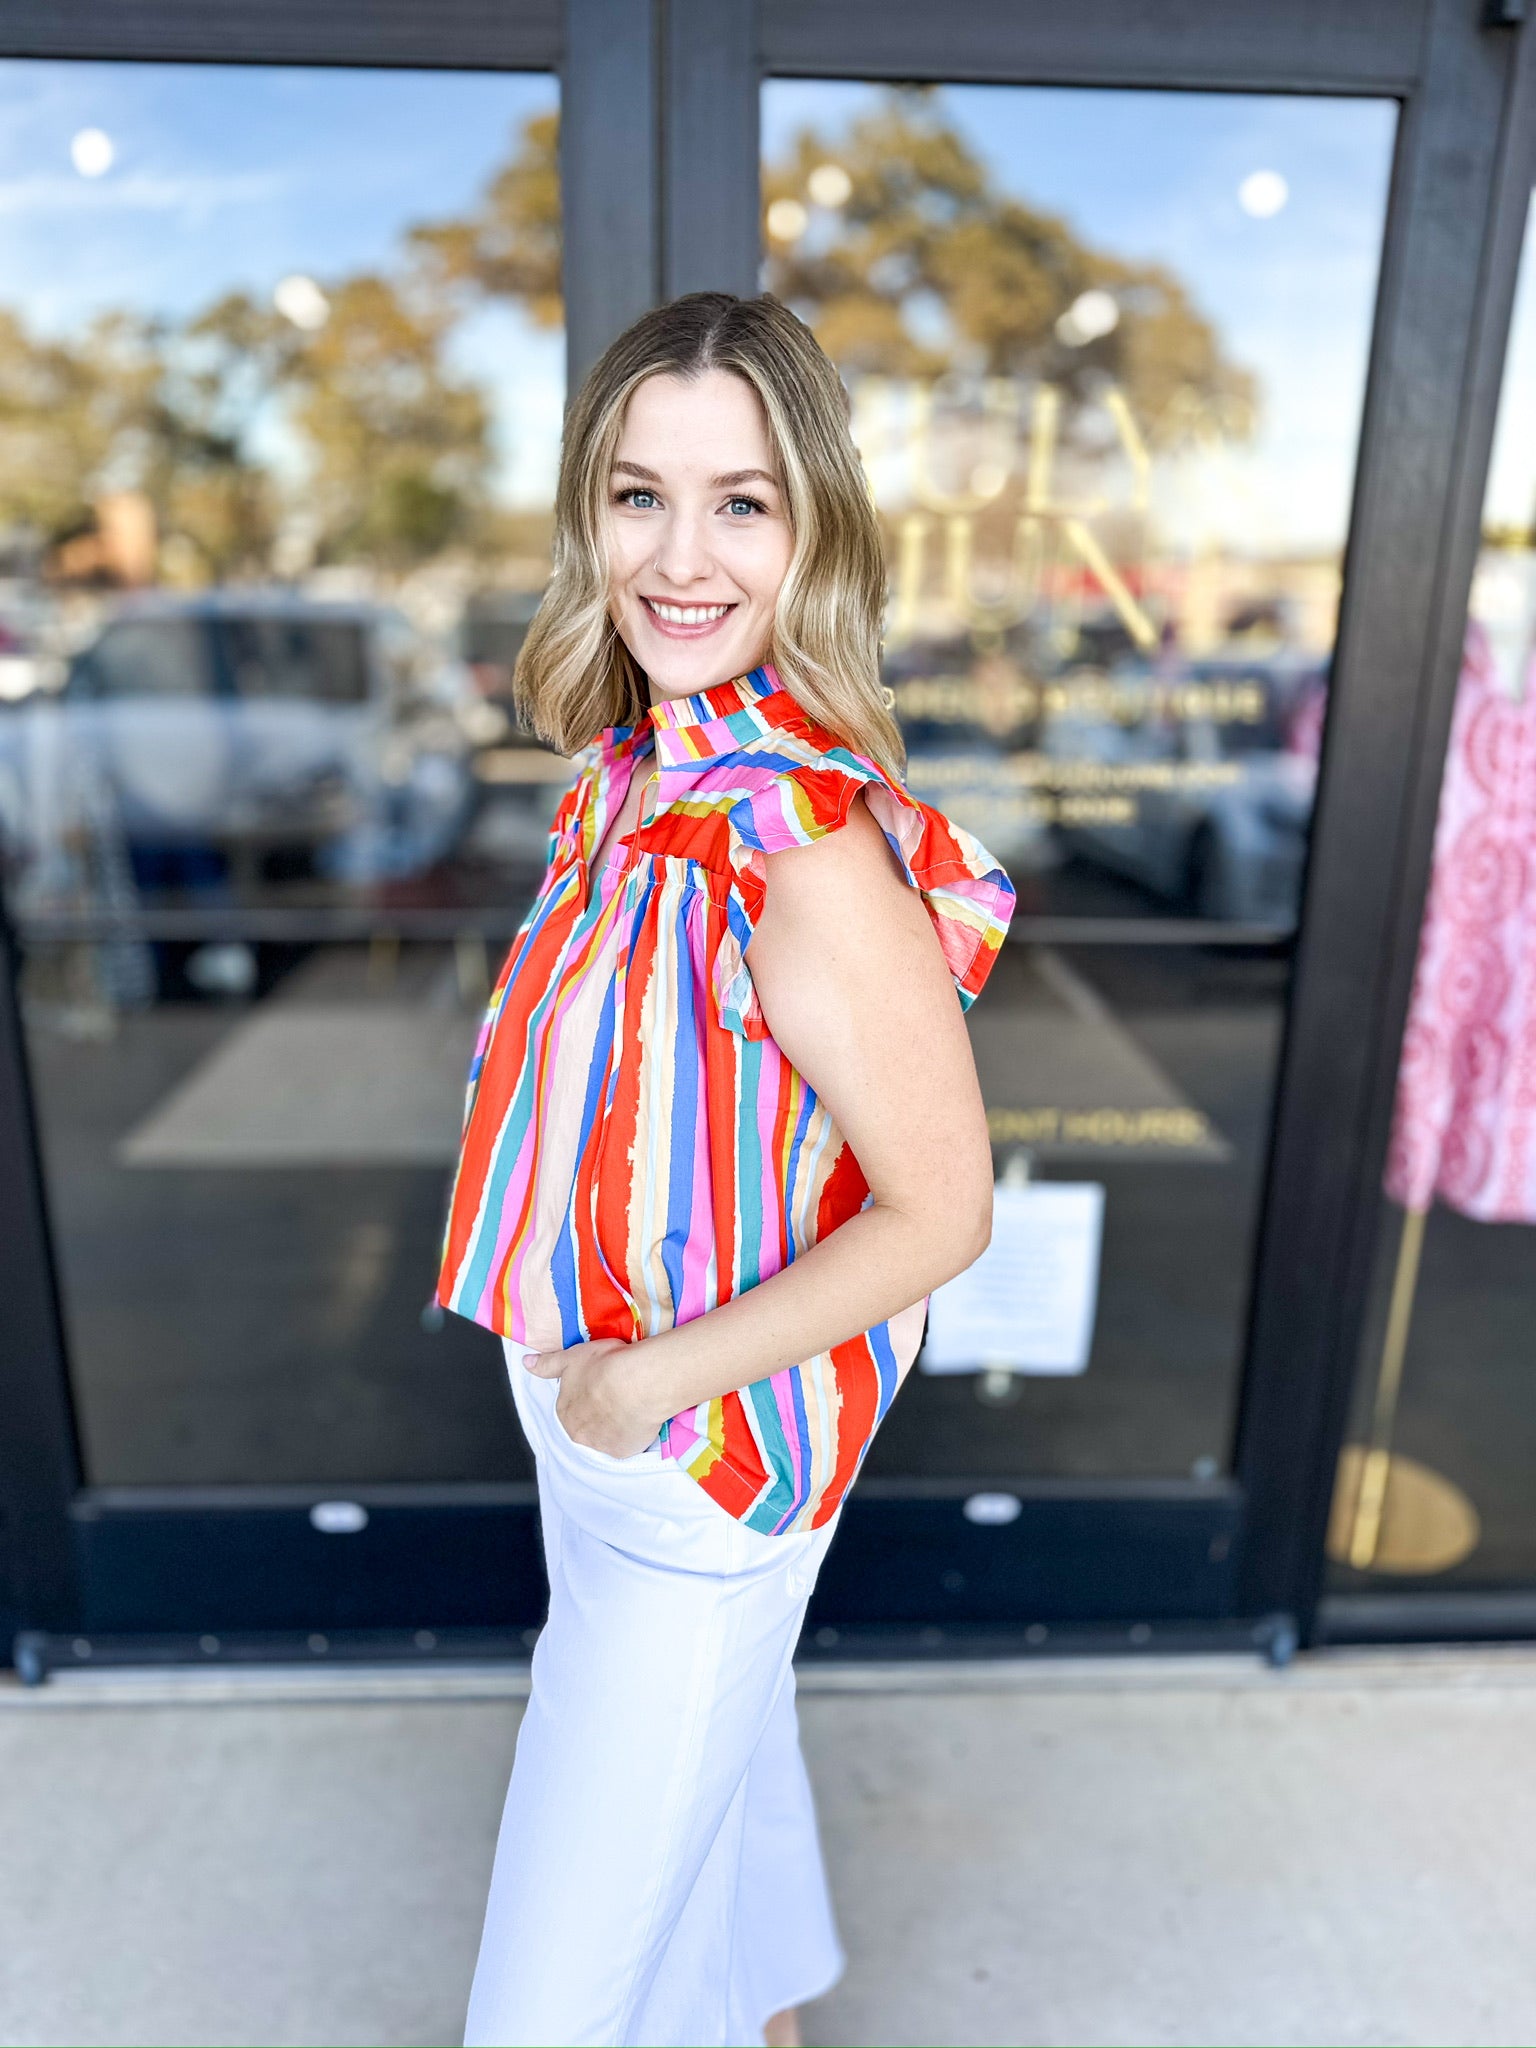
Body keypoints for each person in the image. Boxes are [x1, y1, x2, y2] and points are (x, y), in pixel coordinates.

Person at [436, 290, 1016, 2048]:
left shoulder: (804, 847)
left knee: (548, 2012)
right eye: (637, 496)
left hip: (693, 1456)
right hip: (617, 1432)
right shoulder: (628, 773)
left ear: (812, 529)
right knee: (725, 1767)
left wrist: (635, 1390)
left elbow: (945, 1209)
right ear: (588, 514)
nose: (681, 556)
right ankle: (762, 2011)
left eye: (741, 502)